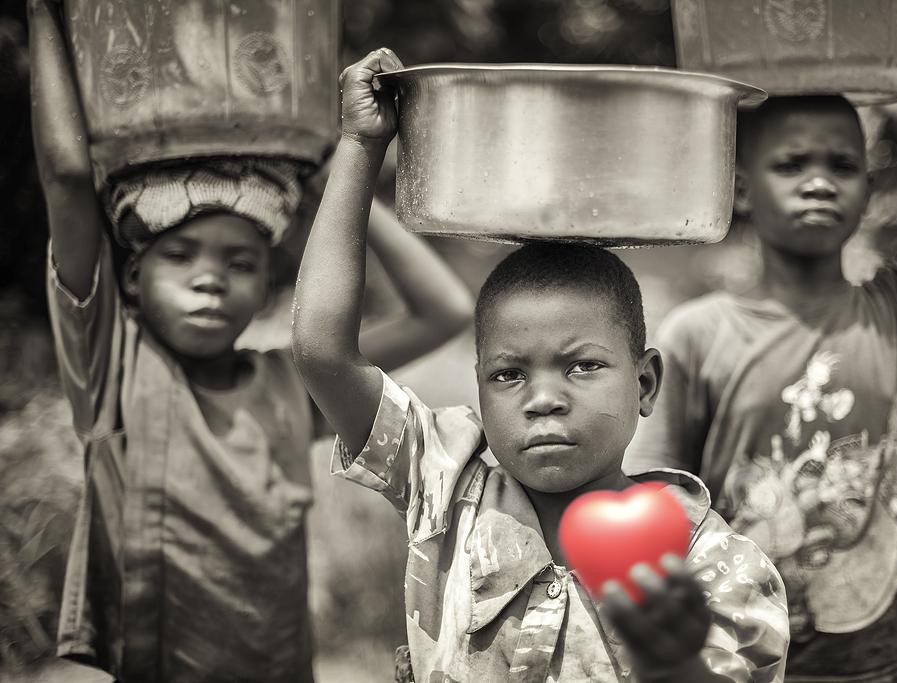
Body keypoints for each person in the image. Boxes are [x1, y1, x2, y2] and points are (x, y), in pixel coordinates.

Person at [292, 47, 790, 683]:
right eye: (508, 375)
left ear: (645, 383)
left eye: (582, 367)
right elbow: (322, 351)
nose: (543, 399)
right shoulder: (442, 484)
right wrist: (361, 146)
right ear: (479, 387)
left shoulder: (717, 565)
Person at [28, 1, 474, 680]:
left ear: (267, 286)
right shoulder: (110, 367)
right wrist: (45, 16)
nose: (211, 280)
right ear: (133, 276)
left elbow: (444, 310)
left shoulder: (289, 385)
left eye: (240, 264)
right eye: (180, 256)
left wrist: (338, 166)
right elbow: (65, 176)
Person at [624, 1, 897, 680]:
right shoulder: (700, 334)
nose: (818, 179)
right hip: (742, 660)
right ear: (743, 189)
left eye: (842, 164)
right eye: (792, 164)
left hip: (878, 659)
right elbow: (654, 508)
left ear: (867, 191)